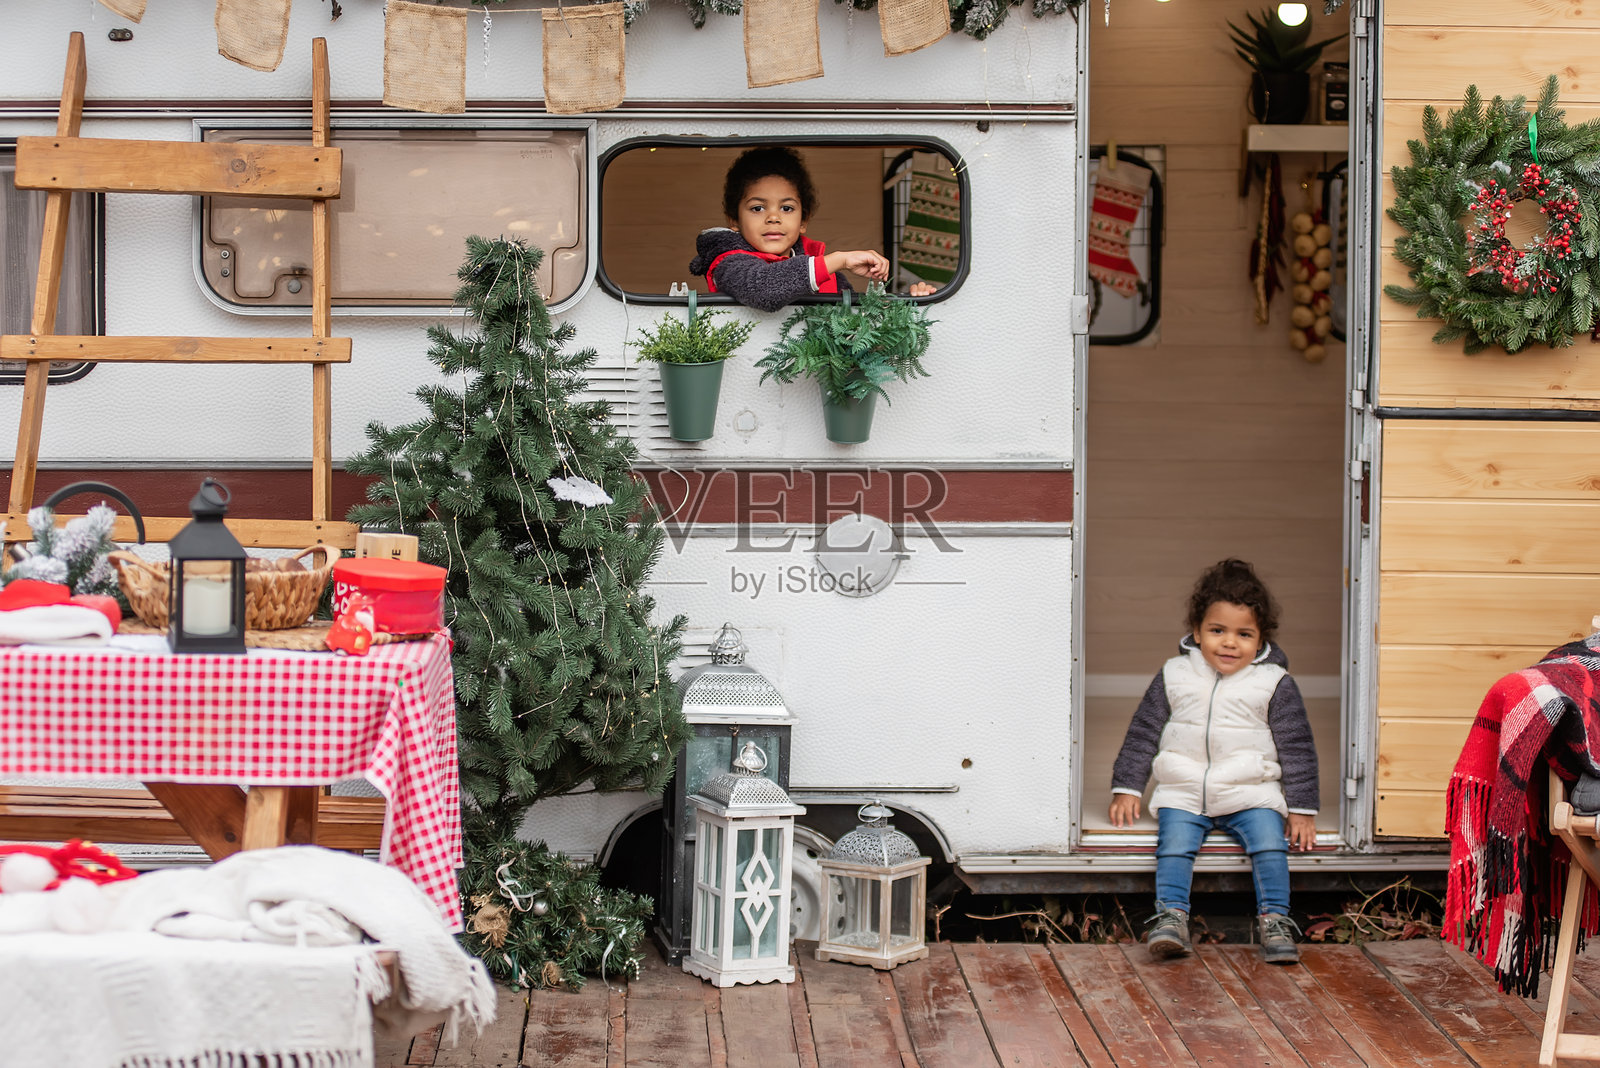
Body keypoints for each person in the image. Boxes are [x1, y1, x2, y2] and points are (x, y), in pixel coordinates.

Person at [1108, 558, 1319, 965]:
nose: (1229, 643)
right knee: (1174, 846)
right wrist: (1127, 786)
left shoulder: (1274, 683)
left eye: (1244, 634)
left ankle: (1275, 921)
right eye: (1217, 631)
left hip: (1250, 791)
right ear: (1196, 631)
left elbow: (1297, 747)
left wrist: (1302, 809)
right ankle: (1171, 918)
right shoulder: (1174, 674)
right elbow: (1143, 732)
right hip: (1184, 789)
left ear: (1261, 641)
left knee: (1270, 845)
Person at [688, 146, 936, 312]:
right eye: (757, 208)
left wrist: (913, 306)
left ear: (803, 221)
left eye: (786, 209)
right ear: (734, 220)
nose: (773, 218)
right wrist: (839, 259)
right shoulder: (727, 264)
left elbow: (856, 333)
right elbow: (763, 289)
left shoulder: (824, 269)